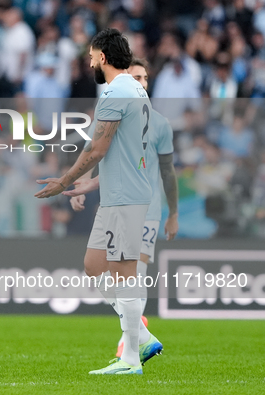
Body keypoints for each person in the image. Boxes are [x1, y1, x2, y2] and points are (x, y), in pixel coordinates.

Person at [35, 28, 159, 375]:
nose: (89, 61)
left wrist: (64, 180)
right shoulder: (134, 90)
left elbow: (98, 148)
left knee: (123, 275)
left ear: (102, 57)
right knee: (93, 264)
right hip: (117, 193)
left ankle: (132, 358)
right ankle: (144, 336)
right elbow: (123, 153)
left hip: (126, 198)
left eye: (91, 56)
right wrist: (88, 185)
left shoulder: (117, 90)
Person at [68, 58, 179, 358]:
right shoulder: (114, 108)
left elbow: (167, 172)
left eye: (144, 77)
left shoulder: (158, 124)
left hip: (145, 208)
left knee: (132, 273)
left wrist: (174, 212)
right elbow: (96, 149)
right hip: (115, 202)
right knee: (99, 267)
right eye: (135, 76)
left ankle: (130, 347)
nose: (140, 82)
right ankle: (138, 336)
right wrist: (84, 183)